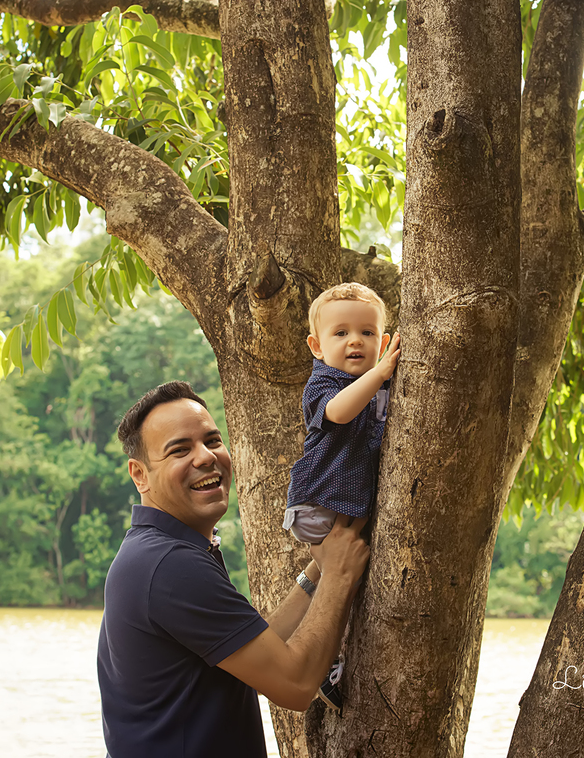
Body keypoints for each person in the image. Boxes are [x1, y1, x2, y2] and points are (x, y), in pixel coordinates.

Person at [97, 381, 368, 758]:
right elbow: (295, 684)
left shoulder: (154, 550)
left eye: (212, 440)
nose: (205, 457)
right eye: (179, 450)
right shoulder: (170, 565)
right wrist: (340, 575)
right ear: (139, 474)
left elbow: (247, 656)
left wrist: (318, 572)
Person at [281, 282, 400, 708]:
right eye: (341, 333)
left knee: (353, 583)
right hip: (318, 504)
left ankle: (324, 657)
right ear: (316, 346)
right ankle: (323, 665)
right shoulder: (323, 383)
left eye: (368, 334)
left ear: (383, 342)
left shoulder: (378, 383)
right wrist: (379, 373)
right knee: (342, 584)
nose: (355, 341)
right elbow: (338, 412)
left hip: (348, 504)